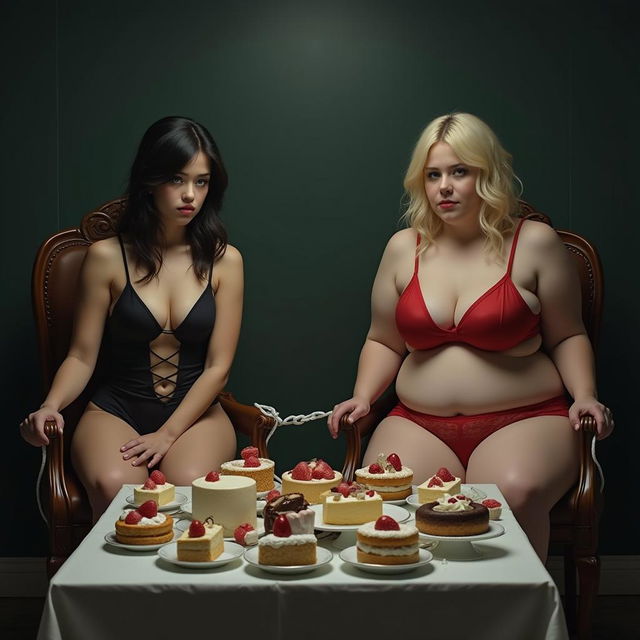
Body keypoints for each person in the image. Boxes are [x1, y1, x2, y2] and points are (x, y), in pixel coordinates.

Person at [328, 112, 613, 560]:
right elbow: (383, 340)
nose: (444, 186)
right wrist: (363, 396)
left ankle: (512, 624)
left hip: (525, 417)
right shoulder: (404, 247)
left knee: (511, 494)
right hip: (418, 422)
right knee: (387, 496)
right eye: (433, 174)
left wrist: (585, 395)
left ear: (488, 175)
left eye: (460, 172)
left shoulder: (534, 243)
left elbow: (567, 335)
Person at [20, 116, 243, 519]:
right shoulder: (106, 256)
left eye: (202, 181)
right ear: (150, 180)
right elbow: (81, 356)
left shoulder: (225, 261)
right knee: (117, 489)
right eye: (177, 179)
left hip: (197, 416)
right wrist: (50, 405)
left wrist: (167, 434)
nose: (190, 195)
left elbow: (218, 368)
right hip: (116, 409)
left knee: (190, 487)